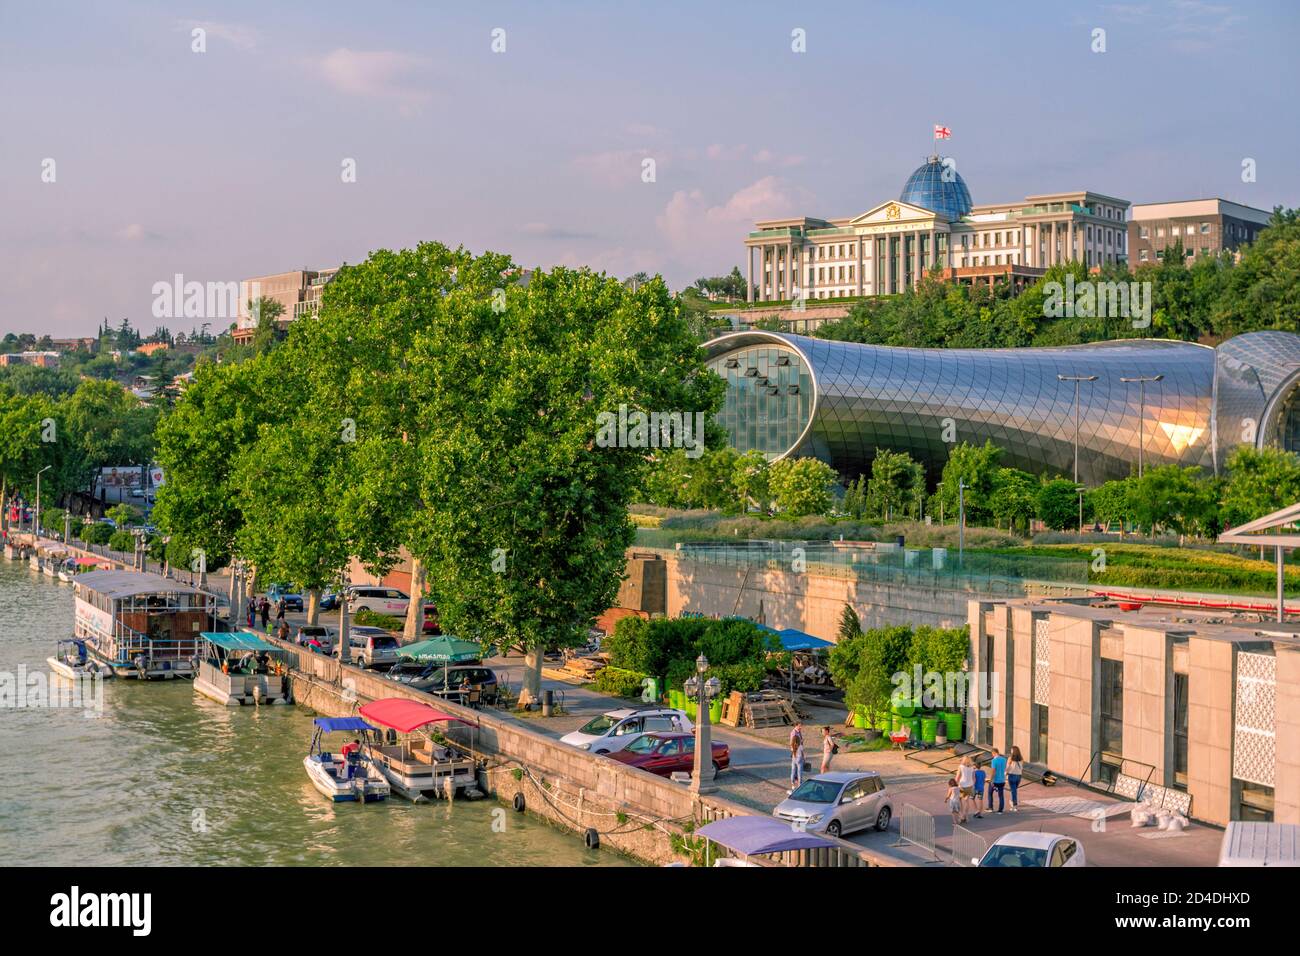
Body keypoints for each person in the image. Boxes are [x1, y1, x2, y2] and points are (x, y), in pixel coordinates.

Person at [956, 755, 975, 823]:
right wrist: (972, 785)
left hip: (962, 785)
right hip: (969, 785)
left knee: (959, 800)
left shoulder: (961, 767)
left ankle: (961, 815)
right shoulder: (972, 767)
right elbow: (974, 778)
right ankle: (966, 816)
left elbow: (957, 777)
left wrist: (955, 785)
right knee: (967, 801)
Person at [989, 748, 1008, 813]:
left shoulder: (994, 761)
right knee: (1001, 795)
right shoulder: (1004, 759)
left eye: (992, 754)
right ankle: (1000, 810)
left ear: (994, 753)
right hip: (1002, 780)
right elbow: (1005, 769)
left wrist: (991, 780)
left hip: (995, 780)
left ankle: (990, 807)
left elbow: (993, 771)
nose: (992, 755)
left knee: (990, 793)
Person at [1007, 746, 1024, 812]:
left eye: (1011, 750)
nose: (1011, 751)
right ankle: (1012, 801)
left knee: (1013, 791)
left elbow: (1007, 767)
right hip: (1019, 776)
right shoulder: (1021, 758)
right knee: (1014, 790)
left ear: (1013, 751)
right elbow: (1022, 768)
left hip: (1012, 775)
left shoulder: (1010, 758)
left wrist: (1005, 773)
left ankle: (1014, 805)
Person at [789, 724, 805, 791]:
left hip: (794, 758)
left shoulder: (793, 746)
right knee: (799, 772)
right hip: (799, 759)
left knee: (793, 771)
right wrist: (804, 759)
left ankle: (792, 784)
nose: (801, 727)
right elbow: (802, 752)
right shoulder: (800, 746)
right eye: (799, 726)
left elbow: (792, 749)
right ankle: (799, 784)